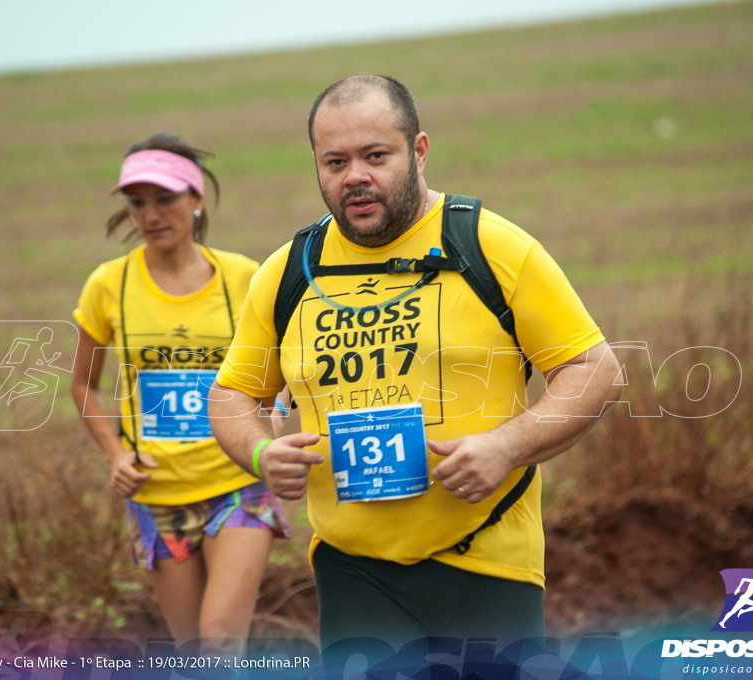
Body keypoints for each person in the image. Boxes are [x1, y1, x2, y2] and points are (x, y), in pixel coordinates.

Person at [209, 75, 622, 649]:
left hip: (487, 556)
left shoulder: (489, 246)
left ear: (419, 150)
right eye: (335, 162)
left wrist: (506, 447)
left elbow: (595, 371)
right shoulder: (286, 272)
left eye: (375, 155)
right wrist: (259, 452)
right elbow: (230, 395)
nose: (355, 175)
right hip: (352, 573)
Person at [70, 133, 290, 654]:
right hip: (157, 495)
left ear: (196, 199)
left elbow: (278, 374)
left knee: (219, 639)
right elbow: (83, 385)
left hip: (237, 484)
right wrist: (116, 455)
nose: (150, 214)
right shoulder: (109, 286)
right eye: (137, 202)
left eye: (164, 199)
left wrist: (271, 426)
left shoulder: (244, 277)